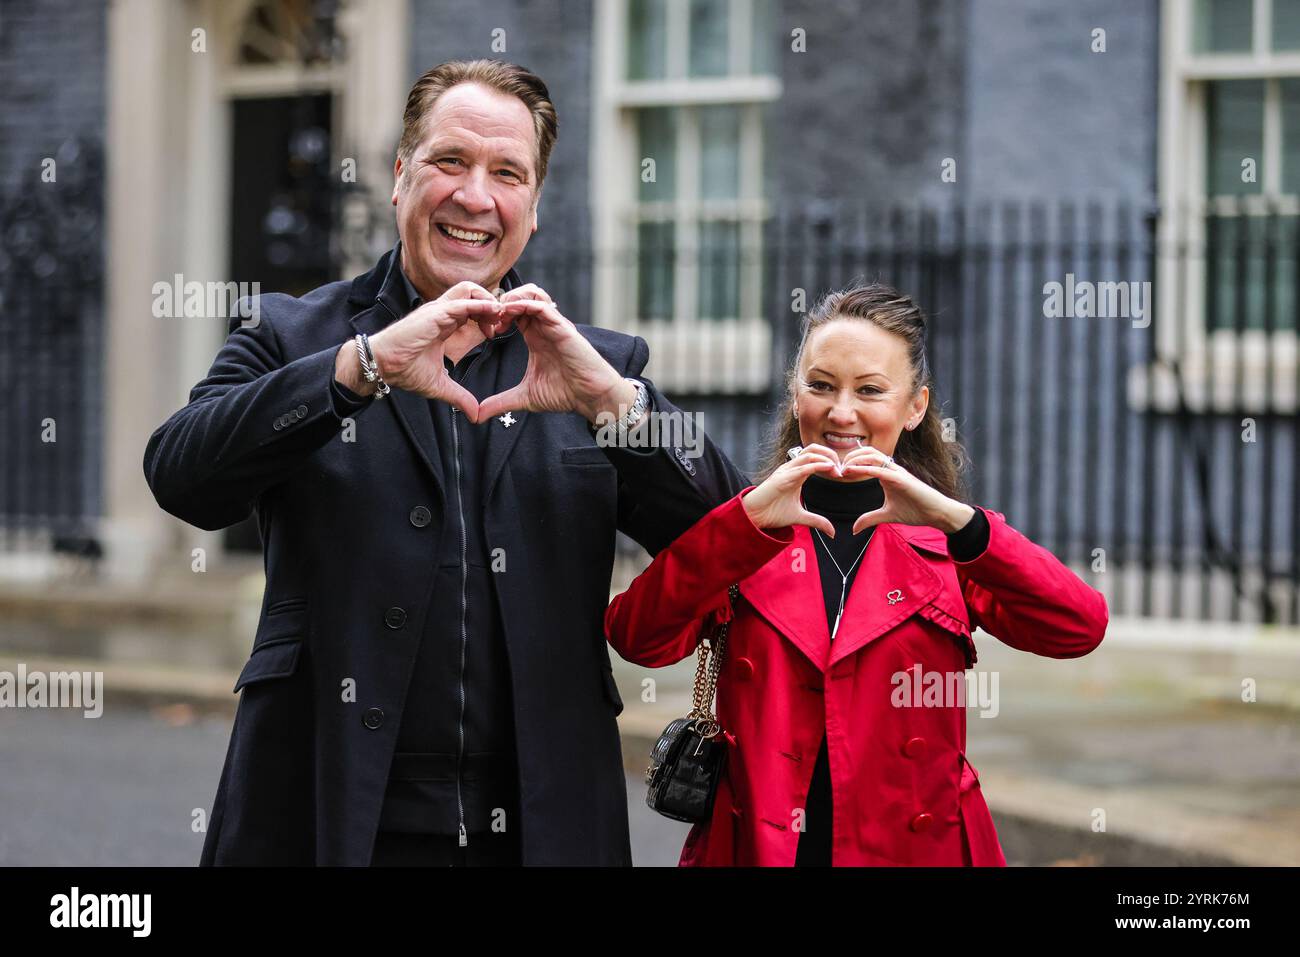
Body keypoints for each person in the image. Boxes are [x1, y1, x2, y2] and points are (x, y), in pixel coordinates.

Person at [142, 59, 747, 866]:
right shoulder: (296, 336)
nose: (475, 196)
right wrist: (357, 369)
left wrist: (617, 405)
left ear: (533, 208)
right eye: (450, 162)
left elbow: (731, 533)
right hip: (325, 809)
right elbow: (181, 473)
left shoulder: (595, 366)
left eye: (507, 173)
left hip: (542, 824)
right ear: (400, 177)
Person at [605, 282, 1108, 866]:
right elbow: (637, 639)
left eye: (870, 390)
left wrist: (958, 521)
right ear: (796, 397)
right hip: (764, 849)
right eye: (820, 386)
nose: (841, 412)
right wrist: (739, 527)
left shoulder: (949, 542)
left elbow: (1079, 627)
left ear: (915, 407)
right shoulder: (747, 529)